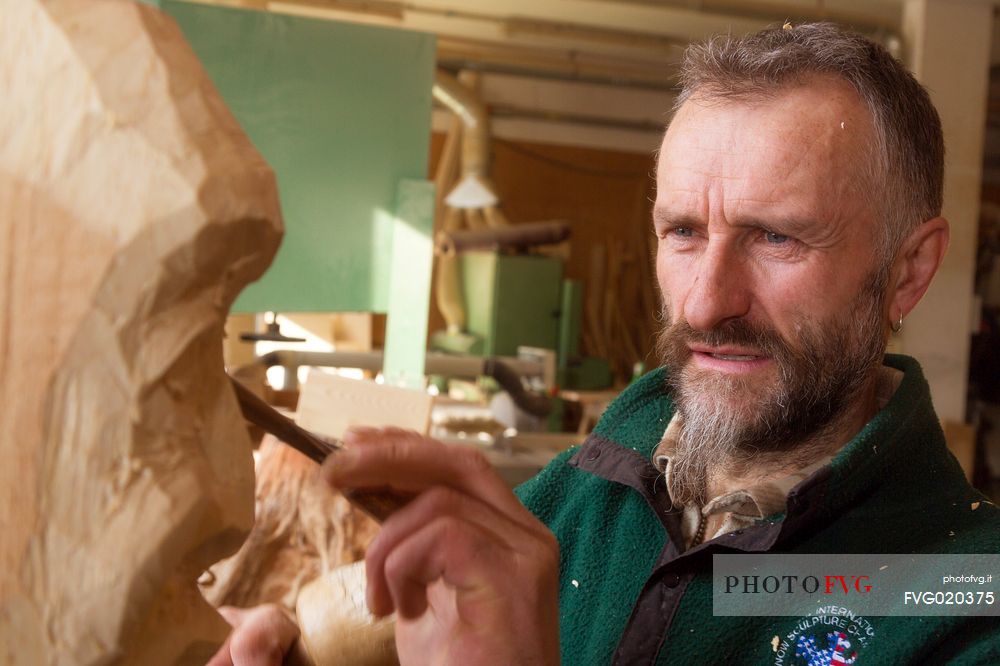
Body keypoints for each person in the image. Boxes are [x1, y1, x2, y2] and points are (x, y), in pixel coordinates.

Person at [211, 22, 1000, 665]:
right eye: (683, 232)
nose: (705, 302)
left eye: (778, 237)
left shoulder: (959, 597)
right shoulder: (598, 477)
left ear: (908, 270)